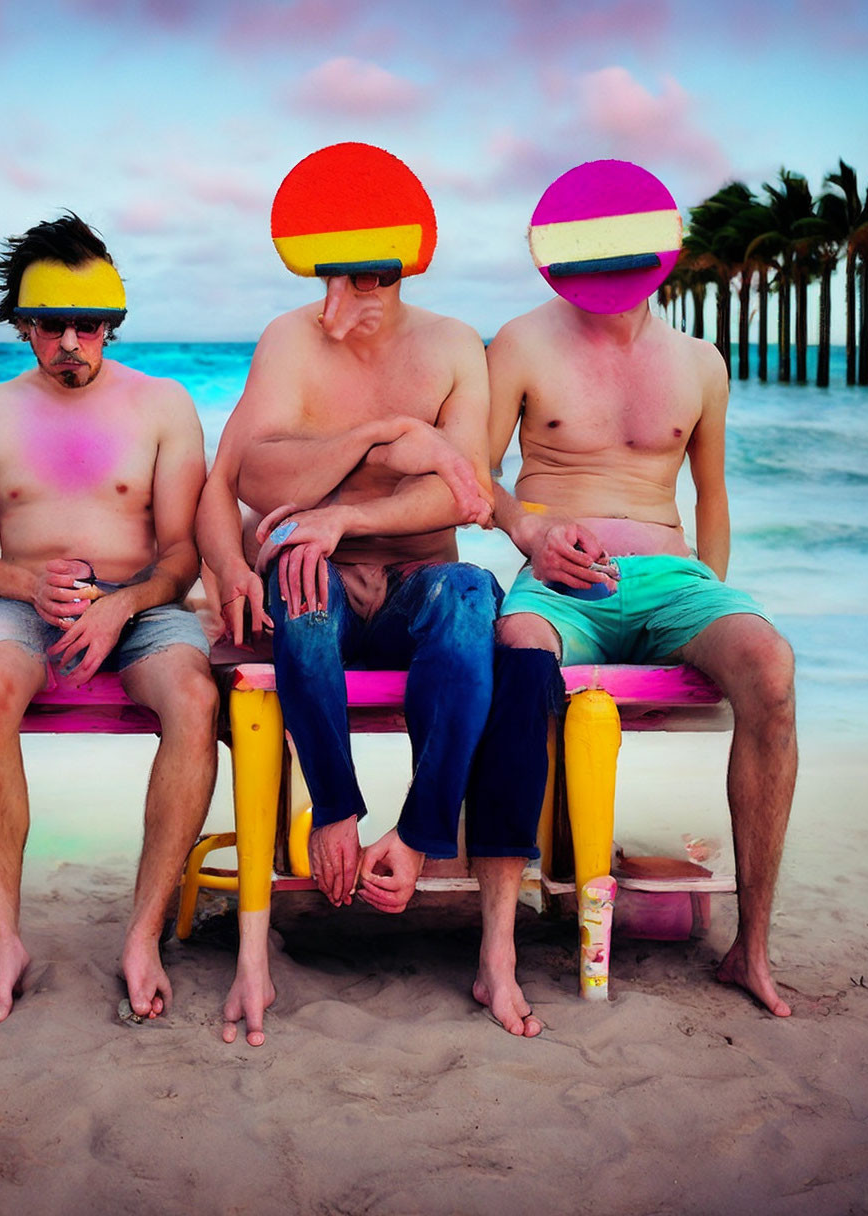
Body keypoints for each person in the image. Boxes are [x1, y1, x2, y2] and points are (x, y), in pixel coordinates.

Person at [198, 143, 549, 1045]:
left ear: (393, 278)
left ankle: (423, 831)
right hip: (317, 595)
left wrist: (341, 517)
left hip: (417, 584)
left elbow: (461, 494)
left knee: (472, 593)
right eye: (324, 281)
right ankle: (339, 810)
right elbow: (254, 472)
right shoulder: (288, 340)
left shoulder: (453, 349)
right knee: (299, 572)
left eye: (354, 285)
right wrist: (387, 436)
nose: (331, 306)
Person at [486, 160, 796, 1017]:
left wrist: (711, 599)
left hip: (672, 580)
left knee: (769, 667)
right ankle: (503, 933)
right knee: (515, 656)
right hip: (559, 581)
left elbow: (713, 495)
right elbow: (474, 480)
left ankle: (753, 949)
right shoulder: (521, 342)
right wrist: (532, 534)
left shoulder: (701, 361)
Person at [0, 213, 217, 1032]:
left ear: (111, 326)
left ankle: (141, 938)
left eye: (88, 326)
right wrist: (23, 584)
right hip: (24, 605)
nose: (70, 343)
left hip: (142, 607)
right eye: (51, 325)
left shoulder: (163, 407)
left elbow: (182, 555)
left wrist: (123, 604)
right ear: (23, 325)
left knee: (195, 701)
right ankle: (5, 941)